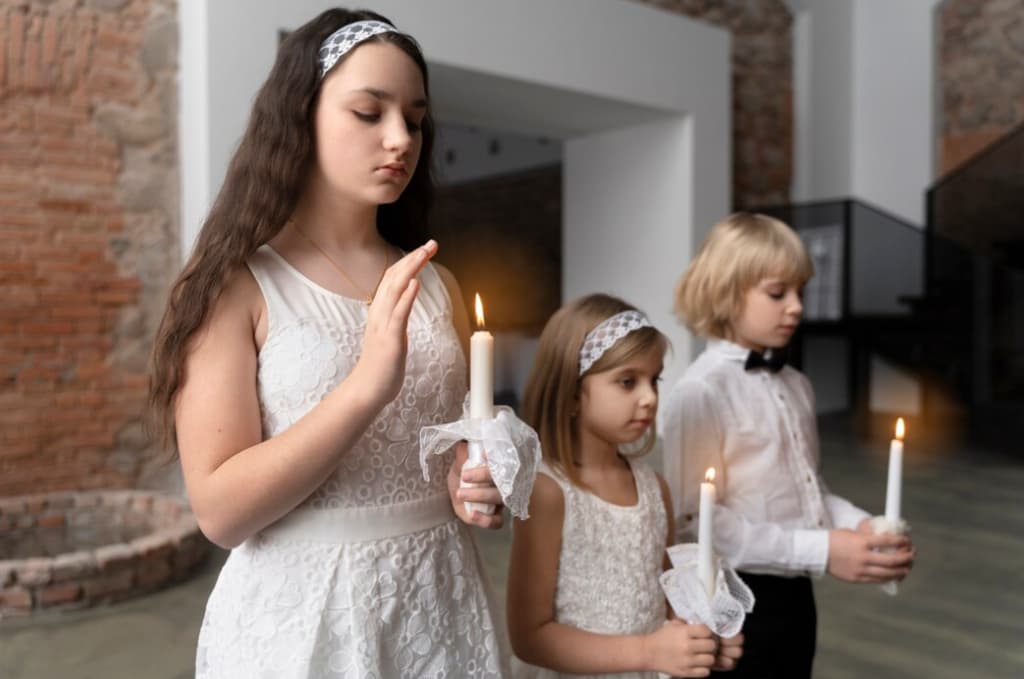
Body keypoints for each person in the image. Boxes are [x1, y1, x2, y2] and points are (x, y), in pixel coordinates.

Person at [148, 9, 509, 678]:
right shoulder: (235, 288)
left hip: (439, 603)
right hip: (306, 618)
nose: (401, 138)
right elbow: (221, 512)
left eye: (416, 117)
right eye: (369, 112)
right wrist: (367, 385)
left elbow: (447, 447)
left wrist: (471, 482)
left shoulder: (435, 284)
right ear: (302, 116)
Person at [662, 212, 916, 678]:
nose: (797, 306)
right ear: (726, 293)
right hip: (733, 596)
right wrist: (821, 550)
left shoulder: (797, 385)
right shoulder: (700, 392)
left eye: (800, 291)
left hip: (797, 594)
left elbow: (808, 486)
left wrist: (864, 526)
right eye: (778, 293)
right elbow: (695, 522)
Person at [507, 294, 743, 678]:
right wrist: (646, 651)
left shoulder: (655, 489)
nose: (649, 398)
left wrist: (702, 640)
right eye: (627, 381)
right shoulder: (549, 493)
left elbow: (669, 601)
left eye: (655, 379)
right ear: (570, 394)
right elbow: (529, 637)